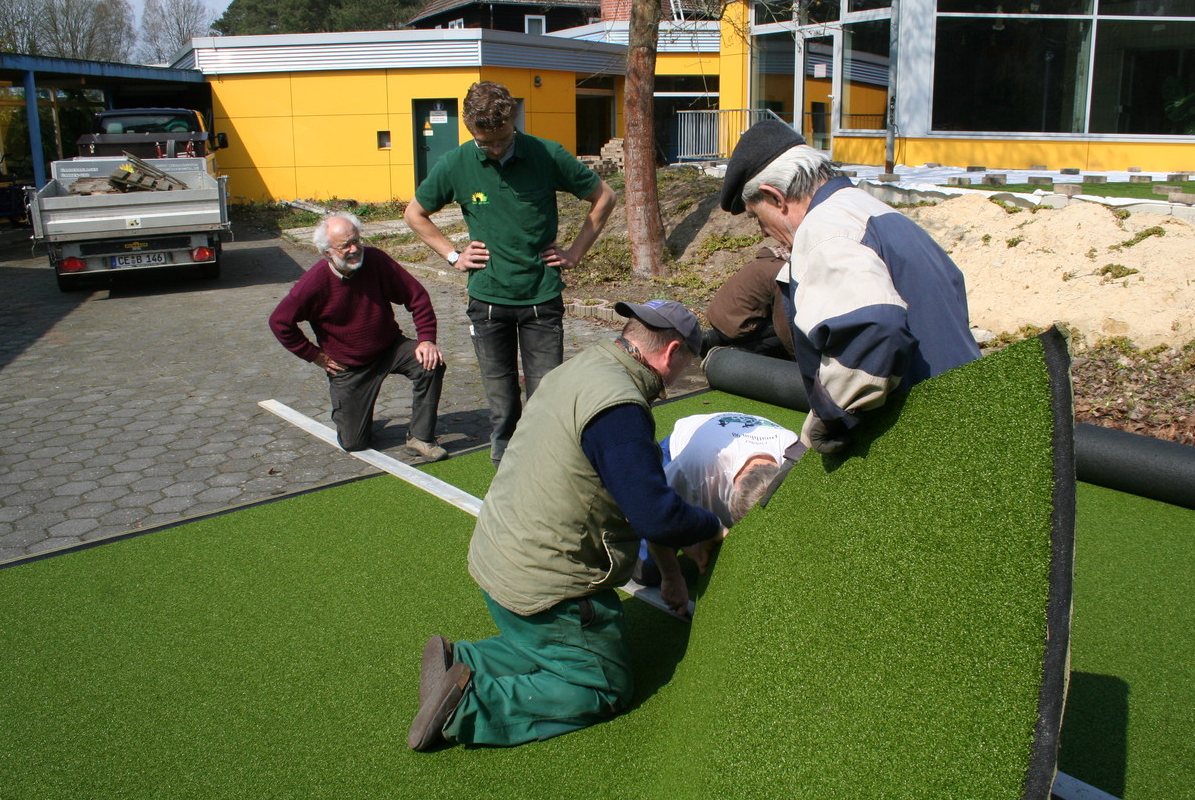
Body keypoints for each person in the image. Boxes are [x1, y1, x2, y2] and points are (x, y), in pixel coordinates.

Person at [407, 300, 726, 752]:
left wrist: (672, 572)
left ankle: (466, 661)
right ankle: (471, 704)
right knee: (604, 684)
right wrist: (710, 527)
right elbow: (654, 512)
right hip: (544, 586)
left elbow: (636, 490)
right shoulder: (620, 408)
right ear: (672, 352)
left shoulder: (582, 368)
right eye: (686, 364)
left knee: (553, 648)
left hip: (497, 559)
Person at [719, 119, 981, 454]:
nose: (762, 231)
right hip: (968, 410)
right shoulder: (878, 212)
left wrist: (831, 416)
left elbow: (877, 326)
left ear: (775, 197)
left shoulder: (823, 229)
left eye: (758, 217)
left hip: (922, 430)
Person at [404, 81, 618, 465]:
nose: (496, 149)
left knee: (546, 393)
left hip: (541, 299)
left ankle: (546, 462)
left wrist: (575, 252)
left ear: (513, 122)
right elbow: (414, 214)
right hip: (488, 301)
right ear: (471, 130)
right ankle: (504, 460)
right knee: (501, 398)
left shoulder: (545, 154)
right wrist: (453, 256)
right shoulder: (455, 163)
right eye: (486, 144)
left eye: (503, 139)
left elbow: (604, 196)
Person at [269, 211, 447, 461]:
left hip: (389, 348)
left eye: (357, 240)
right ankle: (352, 414)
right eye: (345, 246)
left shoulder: (377, 261)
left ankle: (420, 437)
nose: (355, 249)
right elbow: (279, 322)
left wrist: (427, 339)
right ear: (327, 252)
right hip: (348, 366)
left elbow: (417, 296)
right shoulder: (313, 283)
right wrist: (314, 355)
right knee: (354, 443)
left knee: (430, 362)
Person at [634, 411, 800, 590]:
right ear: (733, 489)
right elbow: (654, 509)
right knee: (648, 573)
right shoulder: (694, 468)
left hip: (735, 432)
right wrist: (671, 575)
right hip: (685, 444)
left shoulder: (795, 458)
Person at [701, 245, 795, 359]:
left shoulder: (764, 261)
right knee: (785, 332)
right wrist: (798, 356)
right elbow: (784, 326)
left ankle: (710, 339)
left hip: (717, 317)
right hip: (736, 327)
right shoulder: (781, 274)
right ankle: (739, 354)